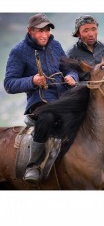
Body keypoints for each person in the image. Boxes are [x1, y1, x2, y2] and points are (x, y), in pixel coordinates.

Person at [4, 13, 79, 183]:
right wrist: (33, 80)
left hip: (63, 100)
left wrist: (73, 77)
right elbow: (9, 84)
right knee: (47, 118)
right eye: (40, 31)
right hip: (39, 102)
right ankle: (33, 165)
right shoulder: (18, 51)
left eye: (46, 30)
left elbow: (69, 68)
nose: (45, 34)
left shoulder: (55, 45)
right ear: (30, 31)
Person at [67, 15, 104, 80]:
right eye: (86, 31)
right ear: (78, 33)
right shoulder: (72, 53)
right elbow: (69, 75)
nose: (91, 34)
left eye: (93, 29)